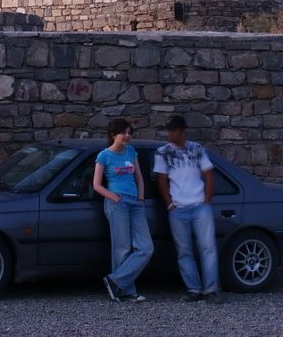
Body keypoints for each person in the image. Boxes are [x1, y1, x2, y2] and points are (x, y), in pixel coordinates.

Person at [153, 115, 220, 303]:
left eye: (173, 130)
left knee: (208, 248)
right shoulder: (162, 152)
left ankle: (211, 290)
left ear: (182, 131)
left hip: (199, 206)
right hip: (178, 208)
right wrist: (169, 204)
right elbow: (161, 179)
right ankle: (194, 289)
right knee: (184, 251)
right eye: (168, 130)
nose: (169, 133)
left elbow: (209, 174)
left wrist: (206, 200)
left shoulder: (197, 149)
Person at [93, 118, 153, 302]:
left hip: (135, 202)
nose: (127, 136)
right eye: (123, 133)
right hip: (116, 202)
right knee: (123, 248)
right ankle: (126, 292)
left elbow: (139, 178)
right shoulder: (104, 156)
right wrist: (114, 198)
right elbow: (96, 185)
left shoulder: (131, 151)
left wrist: (141, 198)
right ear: (113, 135)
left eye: (129, 132)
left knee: (146, 247)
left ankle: (115, 281)